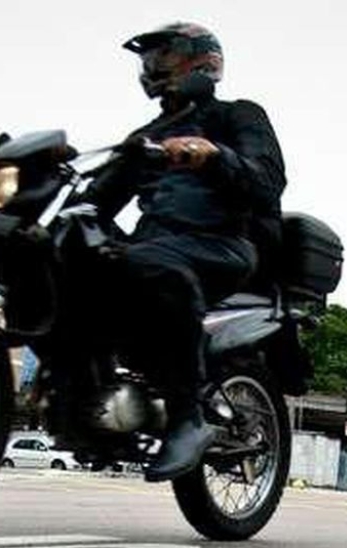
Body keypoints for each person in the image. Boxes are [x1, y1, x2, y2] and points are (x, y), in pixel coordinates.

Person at [84, 21, 287, 481]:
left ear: (204, 61)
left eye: (165, 57)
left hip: (221, 245)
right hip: (154, 245)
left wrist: (213, 155)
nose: (156, 68)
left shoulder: (237, 115)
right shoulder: (147, 134)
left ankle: (186, 417)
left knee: (154, 264)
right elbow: (98, 198)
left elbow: (268, 180)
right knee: (80, 259)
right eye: (151, 61)